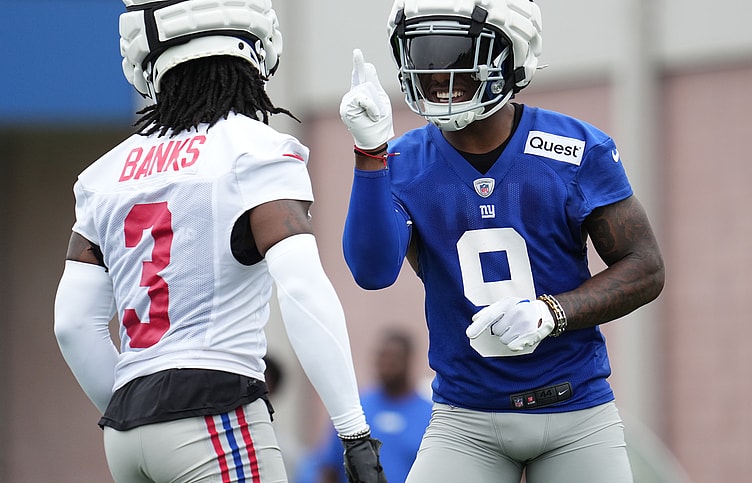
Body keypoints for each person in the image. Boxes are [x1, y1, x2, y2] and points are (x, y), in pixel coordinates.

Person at [53, 1, 386, 482]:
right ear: (253, 51)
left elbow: (72, 325)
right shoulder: (256, 148)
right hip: (213, 412)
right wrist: (354, 432)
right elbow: (303, 290)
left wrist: (139, 404)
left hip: (126, 430)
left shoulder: (103, 175)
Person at [338, 0, 665, 482]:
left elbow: (645, 268)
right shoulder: (403, 159)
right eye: (422, 54)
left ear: (512, 57)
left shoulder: (576, 149)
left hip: (576, 412)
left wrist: (553, 312)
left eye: (453, 54)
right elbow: (372, 272)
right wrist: (369, 154)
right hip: (464, 420)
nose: (434, 73)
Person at [310, 329, 432, 483]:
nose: (385, 364)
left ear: (408, 359)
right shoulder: (355, 409)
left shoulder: (430, 415)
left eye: (392, 358)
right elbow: (330, 468)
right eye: (382, 357)